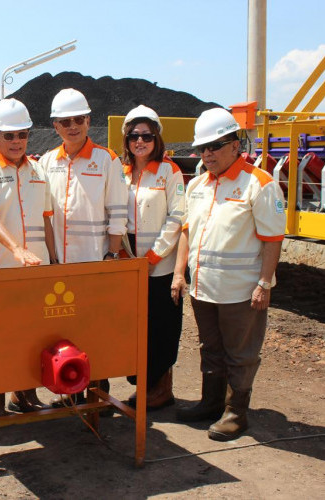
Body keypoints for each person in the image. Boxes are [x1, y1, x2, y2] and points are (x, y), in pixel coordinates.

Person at [172, 108, 286, 441]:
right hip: (203, 288)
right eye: (202, 148)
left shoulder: (259, 185)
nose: (207, 153)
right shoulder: (197, 185)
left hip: (241, 291)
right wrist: (180, 274)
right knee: (210, 347)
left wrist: (264, 283)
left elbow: (273, 239)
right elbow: (187, 232)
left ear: (235, 145)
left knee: (241, 354)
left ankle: (237, 413)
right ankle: (211, 403)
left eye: (215, 146)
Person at [38, 88, 128, 407]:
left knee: (95, 328)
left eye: (78, 119)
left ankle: (98, 395)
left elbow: (118, 211)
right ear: (55, 126)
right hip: (61, 264)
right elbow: (45, 215)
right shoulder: (46, 162)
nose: (73, 126)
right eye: (65, 122)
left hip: (95, 262)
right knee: (63, 328)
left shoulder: (107, 160)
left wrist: (111, 255)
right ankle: (71, 390)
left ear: (89, 121)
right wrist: (51, 258)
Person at [0, 98, 56, 417]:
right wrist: (16, 249)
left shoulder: (39, 172)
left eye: (22, 134)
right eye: (9, 136)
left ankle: (25, 394)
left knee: (33, 334)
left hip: (36, 269)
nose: (17, 141)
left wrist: (55, 261)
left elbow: (46, 220)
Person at [120, 105, 185, 410]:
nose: (140, 141)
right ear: (127, 139)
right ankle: (145, 384)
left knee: (162, 326)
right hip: (129, 261)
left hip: (159, 265)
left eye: (147, 136)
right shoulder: (121, 172)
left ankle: (162, 388)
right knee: (136, 327)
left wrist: (153, 257)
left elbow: (177, 218)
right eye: (134, 135)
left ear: (157, 138)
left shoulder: (169, 171)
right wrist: (124, 254)